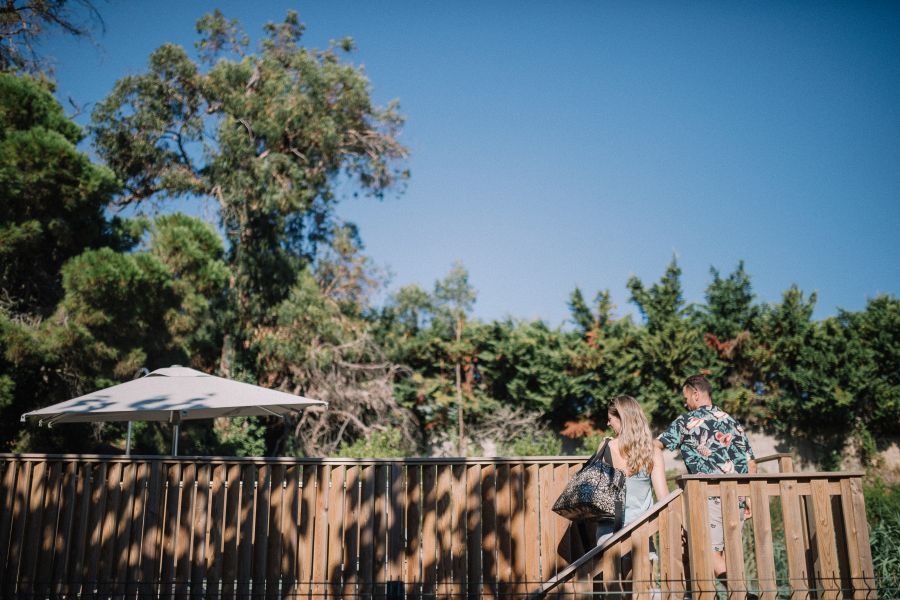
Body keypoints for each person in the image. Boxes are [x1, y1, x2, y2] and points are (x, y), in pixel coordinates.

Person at [655, 375, 757, 588]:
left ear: (696, 393)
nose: (685, 403)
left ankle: (742, 593)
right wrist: (749, 497)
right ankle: (739, 593)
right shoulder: (731, 421)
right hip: (738, 494)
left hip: (710, 495)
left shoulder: (686, 422)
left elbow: (657, 446)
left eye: (686, 397)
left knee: (705, 548)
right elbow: (751, 462)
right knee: (729, 554)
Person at [596, 395, 670, 542]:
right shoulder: (652, 451)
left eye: (610, 419)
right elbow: (664, 498)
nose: (608, 424)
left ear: (621, 418)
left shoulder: (605, 448)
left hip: (608, 535)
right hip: (641, 532)